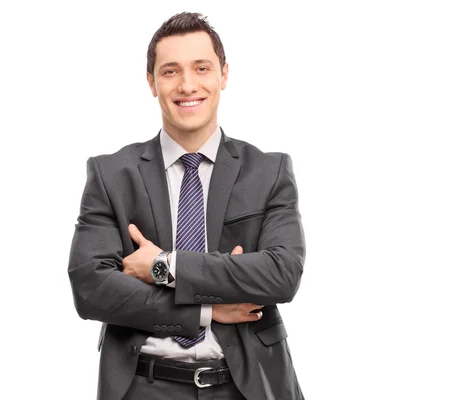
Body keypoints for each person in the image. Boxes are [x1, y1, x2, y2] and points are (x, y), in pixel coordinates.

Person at [68, 11, 306, 400]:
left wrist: (164, 266)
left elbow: (282, 274)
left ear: (223, 75)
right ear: (151, 82)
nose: (187, 85)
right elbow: (90, 288)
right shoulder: (111, 174)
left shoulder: (269, 171)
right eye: (170, 71)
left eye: (201, 68)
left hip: (245, 386)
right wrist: (206, 311)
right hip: (144, 386)